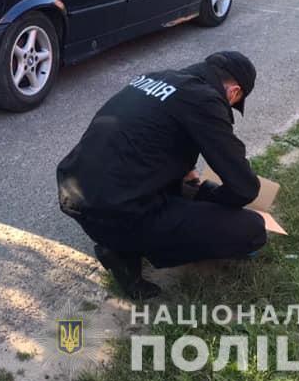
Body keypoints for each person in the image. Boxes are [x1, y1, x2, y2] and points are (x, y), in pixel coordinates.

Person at [56, 51, 266, 299]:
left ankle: (123, 238)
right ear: (234, 92)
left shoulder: (158, 78)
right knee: (252, 229)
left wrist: (188, 182)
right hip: (117, 212)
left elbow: (148, 139)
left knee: (189, 190)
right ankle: (122, 249)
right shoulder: (205, 100)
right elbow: (244, 188)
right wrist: (212, 202)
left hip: (77, 193)